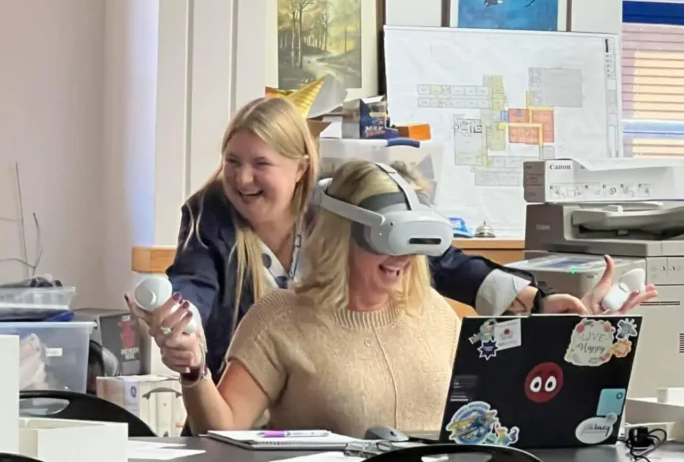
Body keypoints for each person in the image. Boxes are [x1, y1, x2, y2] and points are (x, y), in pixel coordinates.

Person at [135, 94, 657, 381]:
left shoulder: (341, 212)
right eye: (232, 162)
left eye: (260, 164)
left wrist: (539, 302)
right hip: (242, 401)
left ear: (299, 168)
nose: (242, 178)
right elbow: (194, 287)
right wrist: (180, 328)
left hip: (334, 397)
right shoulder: (211, 216)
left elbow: (444, 263)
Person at [159, 160, 461, 435]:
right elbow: (221, 431)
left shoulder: (434, 312)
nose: (402, 256)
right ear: (341, 236)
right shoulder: (281, 319)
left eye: (412, 241)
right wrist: (195, 370)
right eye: (387, 239)